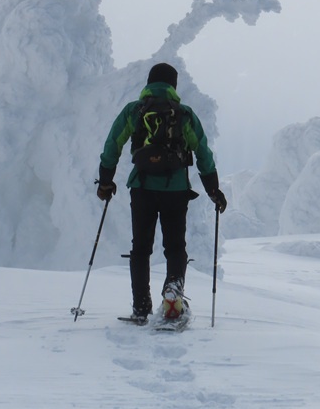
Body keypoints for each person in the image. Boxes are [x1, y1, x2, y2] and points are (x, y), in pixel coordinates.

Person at [97, 62, 227, 320]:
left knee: (141, 248)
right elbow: (202, 152)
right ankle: (172, 292)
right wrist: (214, 189)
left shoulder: (134, 111)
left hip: (142, 188)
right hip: (175, 190)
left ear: (149, 83)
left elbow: (113, 143)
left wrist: (105, 181)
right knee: (175, 245)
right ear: (174, 86)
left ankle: (141, 306)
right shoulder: (184, 114)